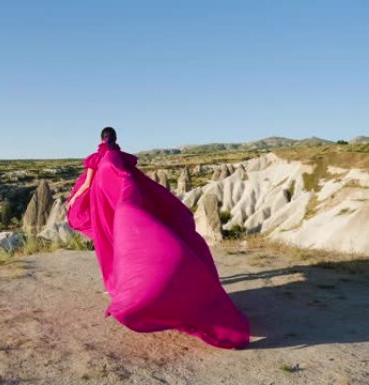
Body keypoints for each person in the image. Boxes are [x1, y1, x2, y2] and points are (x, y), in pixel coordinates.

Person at [66, 127, 250, 349]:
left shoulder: (97, 159)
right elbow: (135, 181)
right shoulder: (119, 158)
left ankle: (123, 288)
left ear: (100, 139)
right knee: (126, 244)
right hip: (122, 207)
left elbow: (87, 185)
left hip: (107, 207)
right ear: (115, 138)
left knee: (113, 243)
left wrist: (73, 199)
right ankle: (124, 285)